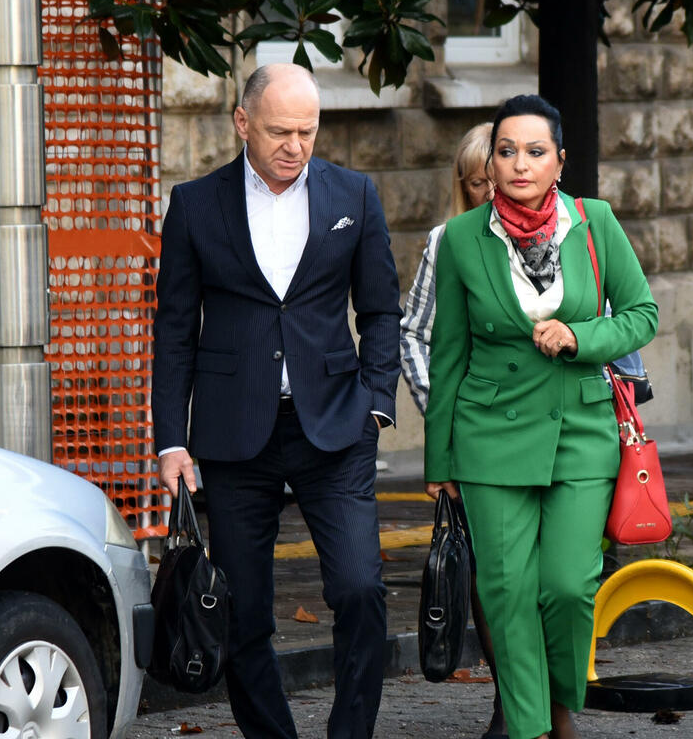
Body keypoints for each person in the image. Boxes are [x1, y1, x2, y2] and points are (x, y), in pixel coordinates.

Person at [152, 63, 402, 739]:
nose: (295, 146)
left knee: (360, 589)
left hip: (337, 425)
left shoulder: (354, 194)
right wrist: (171, 441)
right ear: (243, 123)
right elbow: (174, 330)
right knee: (243, 614)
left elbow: (381, 309)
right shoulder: (195, 205)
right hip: (235, 435)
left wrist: (378, 401)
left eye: (307, 132)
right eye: (279, 132)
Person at [423, 94, 658, 739]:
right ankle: (530, 729)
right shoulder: (462, 238)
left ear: (559, 160)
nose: (519, 164)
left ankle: (561, 706)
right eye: (507, 152)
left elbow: (642, 314)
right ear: (491, 164)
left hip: (581, 432)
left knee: (568, 585)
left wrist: (581, 336)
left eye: (535, 151)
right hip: (488, 437)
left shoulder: (595, 220)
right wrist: (439, 461)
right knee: (506, 593)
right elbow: (448, 354)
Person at [400, 122, 508, 739]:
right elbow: (412, 333)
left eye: (496, 179)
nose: (491, 193)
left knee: (551, 578)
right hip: (475, 438)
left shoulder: (564, 228)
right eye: (476, 185)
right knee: (490, 579)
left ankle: (549, 697)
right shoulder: (449, 242)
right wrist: (442, 408)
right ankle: (510, 701)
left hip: (550, 430)